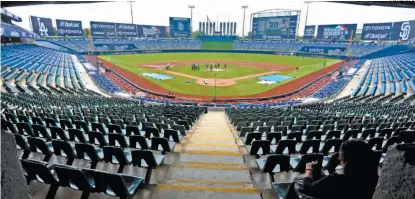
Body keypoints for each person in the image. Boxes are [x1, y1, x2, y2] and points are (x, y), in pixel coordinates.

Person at [298, 139, 379, 199]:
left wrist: (309, 171)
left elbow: (307, 189)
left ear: (346, 161)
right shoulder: (375, 179)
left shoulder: (335, 180)